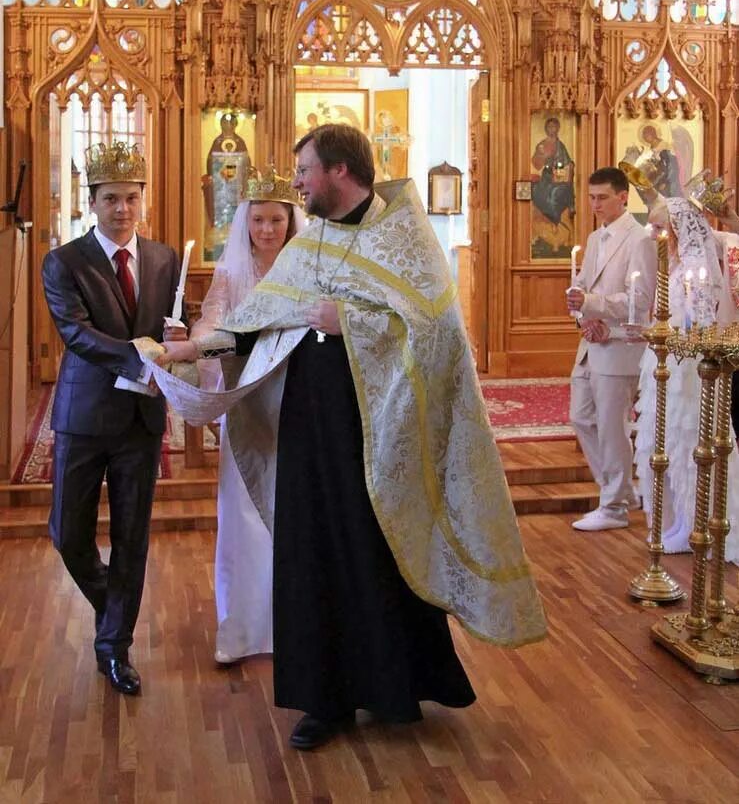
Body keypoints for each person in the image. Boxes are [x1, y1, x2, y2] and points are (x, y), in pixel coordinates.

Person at [159, 124, 546, 751]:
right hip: (312, 432)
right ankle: (325, 700)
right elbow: (260, 320)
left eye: (305, 171)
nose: (299, 184)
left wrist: (354, 321)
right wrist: (192, 348)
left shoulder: (405, 236)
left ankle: (395, 686)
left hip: (383, 437)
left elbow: (441, 336)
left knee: (378, 554)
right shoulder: (311, 244)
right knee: (312, 554)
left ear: (339, 170)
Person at [41, 141, 183, 696]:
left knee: (132, 537)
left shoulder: (167, 258)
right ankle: (113, 605)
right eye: (110, 199)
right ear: (92, 203)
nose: (122, 208)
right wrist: (140, 352)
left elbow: (178, 321)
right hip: (84, 414)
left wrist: (177, 337)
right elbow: (74, 332)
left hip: (141, 419)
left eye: (130, 198)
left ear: (142, 201)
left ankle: (114, 646)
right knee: (67, 535)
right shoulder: (65, 261)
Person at [191, 170, 304, 663]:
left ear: (291, 220)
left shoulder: (306, 269)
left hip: (297, 404)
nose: (266, 229)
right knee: (242, 516)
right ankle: (240, 632)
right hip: (247, 405)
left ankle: (294, 627)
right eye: (258, 219)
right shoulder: (230, 274)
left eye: (276, 219)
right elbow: (215, 326)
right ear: (245, 222)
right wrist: (195, 344)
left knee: (294, 517)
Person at [632, 196, 739, 559]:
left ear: (679, 231)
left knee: (690, 443)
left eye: (660, 228)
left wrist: (678, 337)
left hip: (691, 373)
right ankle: (678, 518)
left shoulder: (698, 268)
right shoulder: (675, 267)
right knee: (667, 443)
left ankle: (699, 521)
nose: (654, 234)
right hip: (669, 364)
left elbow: (704, 323)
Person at [566, 166, 657, 531]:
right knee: (581, 417)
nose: (595, 204)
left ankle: (615, 506)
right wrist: (581, 314)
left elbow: (640, 298)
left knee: (611, 426)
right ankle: (617, 491)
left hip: (620, 346)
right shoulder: (594, 237)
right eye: (591, 197)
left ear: (623, 197)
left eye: (602, 197)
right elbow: (582, 290)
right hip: (591, 343)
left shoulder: (640, 239)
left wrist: (594, 304)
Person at [531, 116, 575, 229]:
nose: (552, 129)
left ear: (557, 128)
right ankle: (550, 220)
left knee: (559, 192)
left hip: (559, 176)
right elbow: (536, 164)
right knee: (541, 192)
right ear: (546, 129)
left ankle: (568, 208)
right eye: (549, 127)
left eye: (554, 127)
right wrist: (541, 155)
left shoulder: (561, 146)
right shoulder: (542, 145)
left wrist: (570, 165)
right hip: (547, 177)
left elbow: (567, 162)